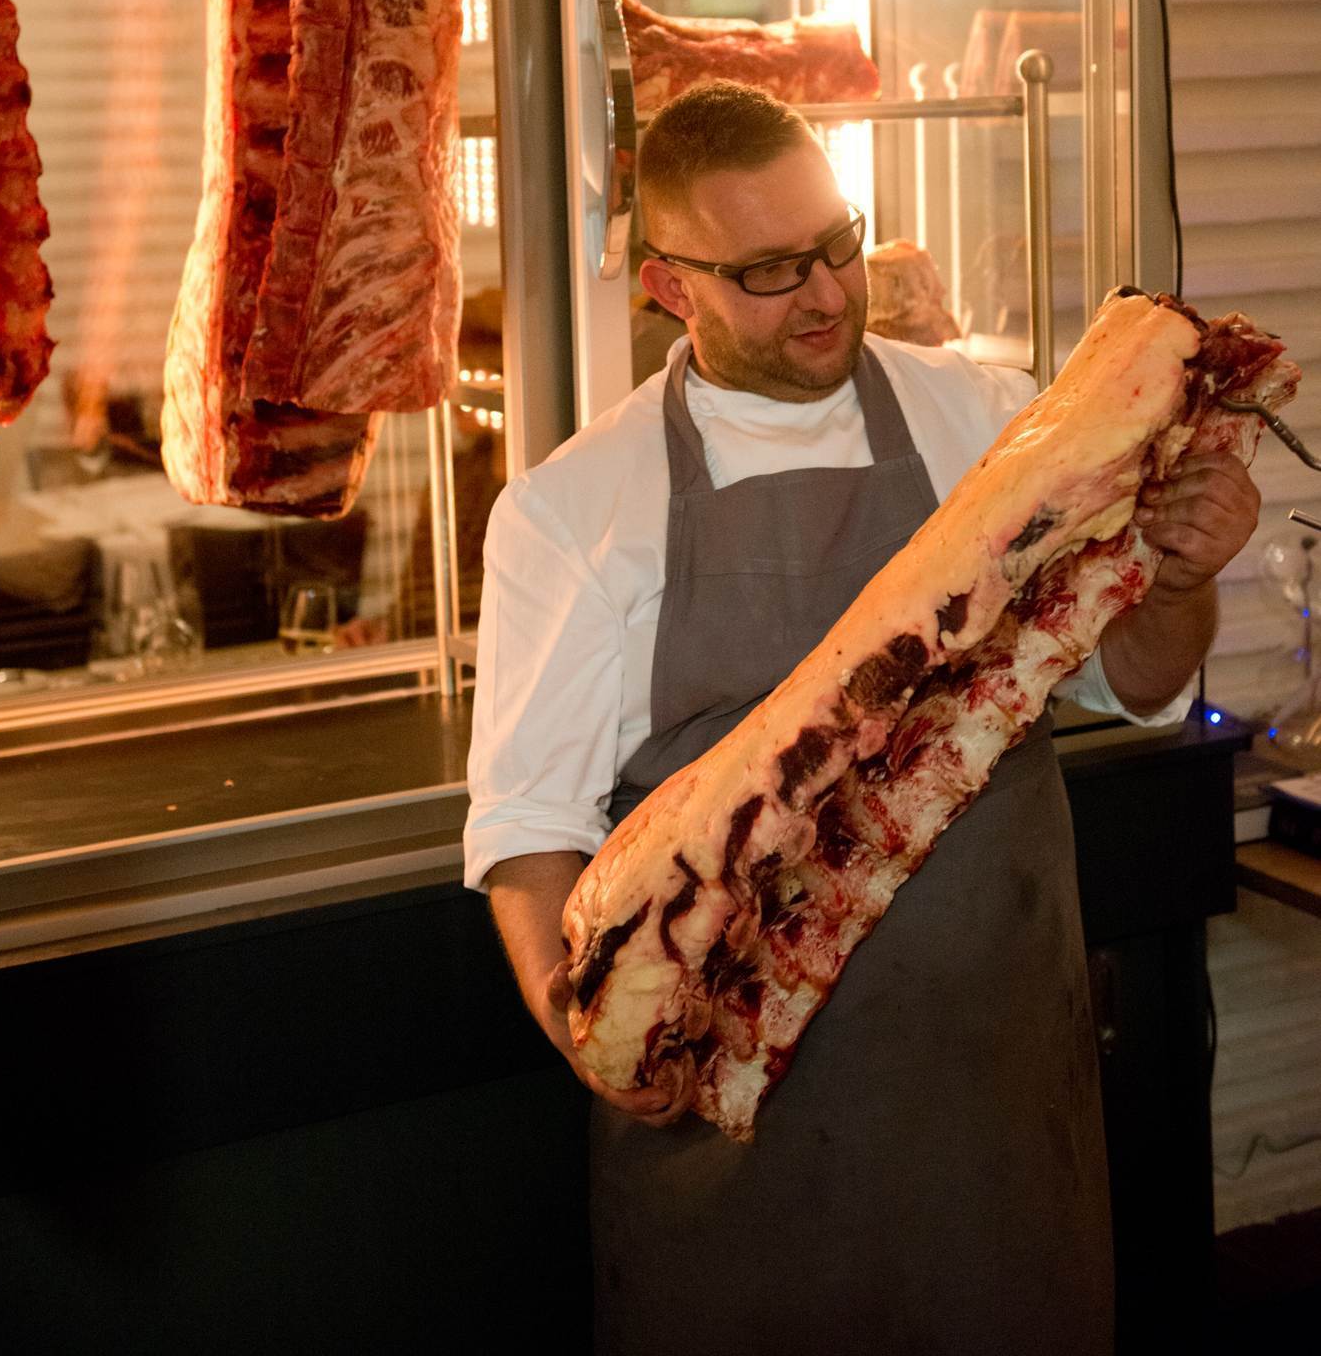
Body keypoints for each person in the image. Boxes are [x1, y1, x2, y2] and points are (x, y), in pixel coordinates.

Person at [464, 81, 1258, 1356]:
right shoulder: (574, 510)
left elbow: (1139, 680)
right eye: (771, 270)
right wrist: (593, 1034)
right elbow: (525, 825)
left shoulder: (992, 421)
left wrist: (1181, 575)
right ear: (670, 285)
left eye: (837, 242)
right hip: (736, 1139)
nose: (828, 292)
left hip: (998, 1097)